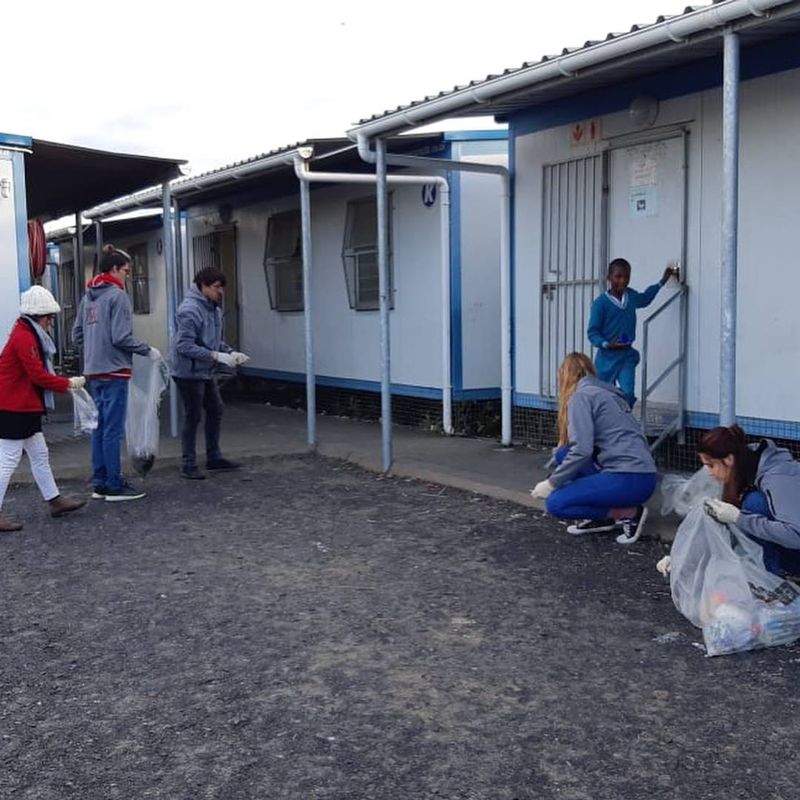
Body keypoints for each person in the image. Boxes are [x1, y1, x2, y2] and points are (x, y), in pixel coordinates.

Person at [530, 352, 658, 543]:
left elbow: (582, 450)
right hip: (643, 477)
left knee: (556, 503)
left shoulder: (581, 397)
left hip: (626, 477)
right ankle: (601, 515)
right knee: (564, 453)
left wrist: (552, 483)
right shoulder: (607, 393)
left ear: (565, 376)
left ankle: (628, 513)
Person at [72, 244, 160, 502]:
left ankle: (100, 482)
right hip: (115, 371)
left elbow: (77, 335)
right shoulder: (118, 296)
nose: (127, 276)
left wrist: (94, 348)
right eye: (125, 271)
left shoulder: (88, 297)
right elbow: (121, 337)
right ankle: (113, 484)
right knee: (113, 430)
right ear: (113, 269)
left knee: (98, 429)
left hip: (94, 371)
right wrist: (147, 350)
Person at [0, 286, 87, 531]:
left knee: (39, 453)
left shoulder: (25, 333)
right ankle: (53, 500)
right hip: (15, 405)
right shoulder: (26, 338)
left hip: (19, 404)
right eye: (49, 317)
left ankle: (54, 500)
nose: (50, 322)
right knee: (8, 460)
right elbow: (38, 375)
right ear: (38, 316)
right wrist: (68, 384)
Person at [170, 267, 249, 480]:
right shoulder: (189, 310)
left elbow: (213, 340)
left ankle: (213, 458)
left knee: (215, 409)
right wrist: (215, 355)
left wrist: (229, 352)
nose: (220, 292)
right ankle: (189, 463)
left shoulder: (213, 309)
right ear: (203, 286)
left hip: (203, 369)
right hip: (188, 372)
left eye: (221, 287)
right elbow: (183, 345)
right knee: (193, 415)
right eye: (216, 287)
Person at [697, 425, 800, 578]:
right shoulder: (746, 468)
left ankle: (770, 584)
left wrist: (740, 518)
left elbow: (796, 535)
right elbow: (723, 531)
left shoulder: (778, 478)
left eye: (711, 465)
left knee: (754, 503)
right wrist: (685, 558)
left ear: (729, 459)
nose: (709, 473)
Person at [587, 258, 677, 408]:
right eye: (618, 276)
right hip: (607, 357)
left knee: (628, 393)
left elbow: (645, 299)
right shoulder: (600, 304)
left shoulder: (631, 296)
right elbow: (592, 332)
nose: (622, 281)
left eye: (626, 277)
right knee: (601, 394)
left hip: (626, 355)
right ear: (609, 277)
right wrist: (606, 343)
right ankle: (606, 418)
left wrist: (662, 282)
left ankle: (624, 416)